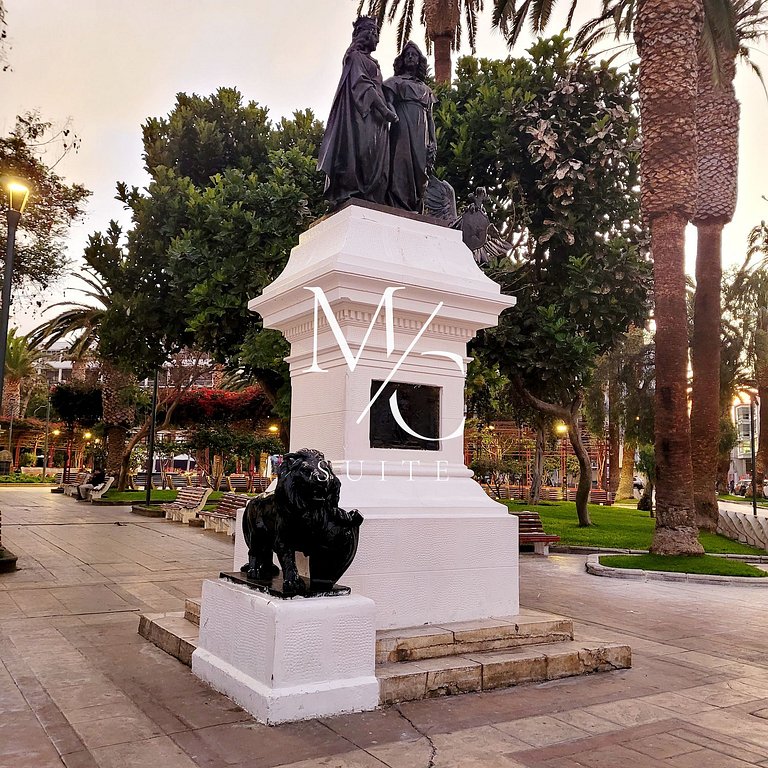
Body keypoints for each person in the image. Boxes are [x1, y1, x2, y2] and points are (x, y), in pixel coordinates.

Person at [318, 16, 398, 208]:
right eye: (376, 34)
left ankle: (372, 198)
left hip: (377, 120)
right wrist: (385, 111)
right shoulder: (355, 57)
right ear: (367, 33)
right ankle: (356, 192)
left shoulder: (370, 61)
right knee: (363, 154)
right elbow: (363, 86)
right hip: (363, 117)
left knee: (379, 162)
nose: (377, 40)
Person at [383, 42, 436, 213]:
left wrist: (433, 142)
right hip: (402, 125)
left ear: (420, 60)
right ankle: (398, 204)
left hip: (422, 131)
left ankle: (415, 205)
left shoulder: (426, 89)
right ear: (402, 60)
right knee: (401, 162)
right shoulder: (395, 82)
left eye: (414, 55)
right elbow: (388, 102)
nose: (411, 57)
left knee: (420, 169)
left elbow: (430, 117)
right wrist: (394, 116)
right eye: (407, 55)